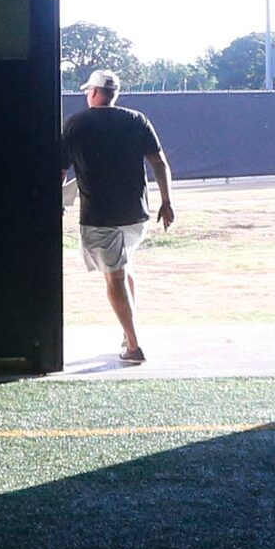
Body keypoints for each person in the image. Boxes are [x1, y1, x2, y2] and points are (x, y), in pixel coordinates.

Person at [59, 69, 174, 365]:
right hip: (137, 215)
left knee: (115, 278)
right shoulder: (136, 120)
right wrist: (167, 202)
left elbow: (60, 171)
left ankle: (133, 346)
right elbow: (159, 163)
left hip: (100, 216)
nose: (87, 95)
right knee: (124, 268)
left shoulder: (76, 124)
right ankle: (128, 334)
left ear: (96, 92)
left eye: (89, 91)